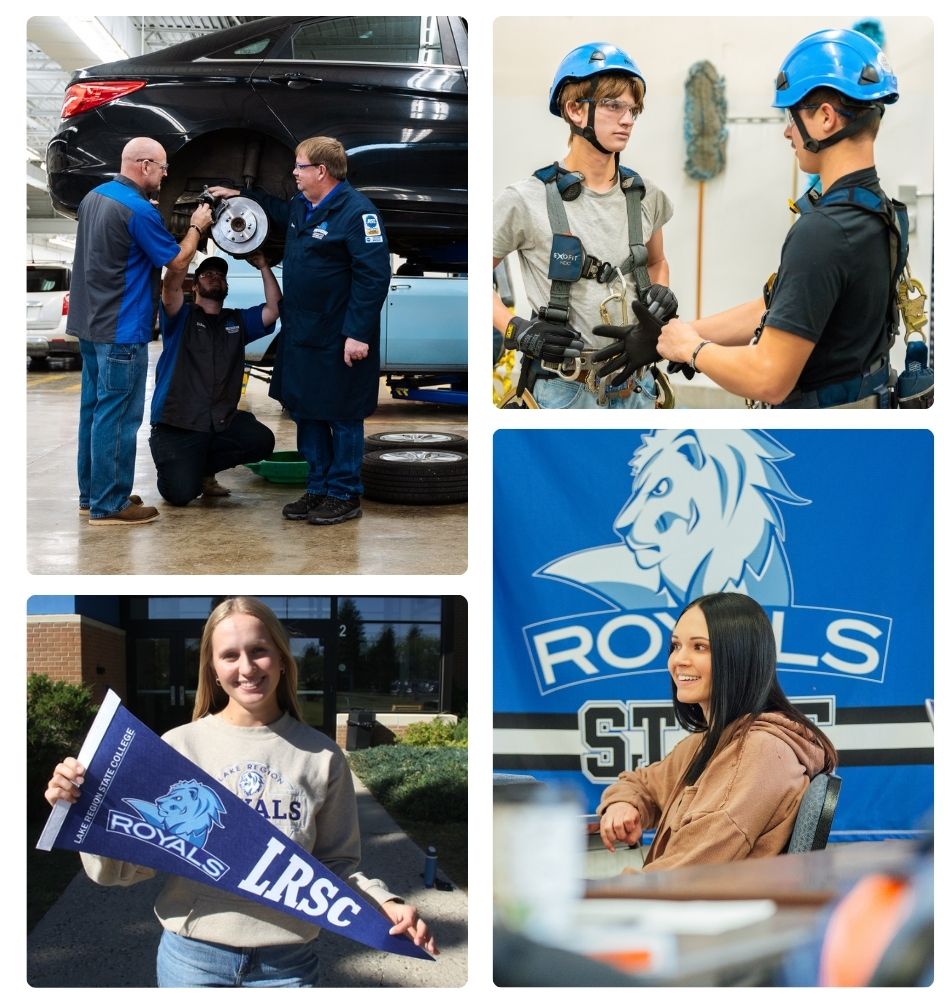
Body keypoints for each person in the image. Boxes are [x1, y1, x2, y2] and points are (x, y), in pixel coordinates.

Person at [45, 596, 438, 988]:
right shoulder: (178, 747)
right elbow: (130, 864)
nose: (246, 667)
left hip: (287, 968)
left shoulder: (321, 756)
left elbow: (334, 867)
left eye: (259, 651)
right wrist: (81, 805)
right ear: (213, 669)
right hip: (191, 962)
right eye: (230, 655)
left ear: (283, 660)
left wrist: (382, 902)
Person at [657, 28, 904, 408]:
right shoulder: (877, 210)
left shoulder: (824, 232)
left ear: (825, 118)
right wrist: (680, 333)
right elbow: (780, 309)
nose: (788, 132)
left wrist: (692, 349)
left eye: (792, 116)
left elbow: (768, 377)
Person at [208, 136, 390, 525]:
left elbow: (373, 278)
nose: (293, 172)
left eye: (299, 166)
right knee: (307, 414)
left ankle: (344, 493)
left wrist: (357, 333)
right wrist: (239, 194)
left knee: (341, 417)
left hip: (339, 336)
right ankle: (319, 487)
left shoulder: (357, 213)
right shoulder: (300, 206)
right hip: (302, 333)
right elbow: (272, 208)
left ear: (321, 171)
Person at [492, 42, 677, 408]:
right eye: (613, 106)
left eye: (633, 109)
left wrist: (659, 296)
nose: (627, 120)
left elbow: (656, 262)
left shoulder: (645, 196)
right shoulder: (524, 199)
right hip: (563, 388)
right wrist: (516, 329)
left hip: (639, 385)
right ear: (575, 109)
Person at [597, 592, 837, 870]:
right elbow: (641, 783)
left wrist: (601, 897)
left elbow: (689, 870)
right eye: (676, 646)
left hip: (707, 909)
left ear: (739, 659)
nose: (678, 660)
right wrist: (624, 804)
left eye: (700, 647)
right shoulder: (707, 743)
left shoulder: (761, 750)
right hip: (682, 905)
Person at [70, 137, 213, 524]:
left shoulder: (94, 197)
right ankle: (110, 503)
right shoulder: (138, 210)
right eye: (164, 167)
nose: (166, 175)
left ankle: (93, 494)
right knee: (118, 418)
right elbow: (178, 260)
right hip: (122, 329)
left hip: (90, 325)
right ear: (145, 165)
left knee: (95, 413)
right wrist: (197, 227)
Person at [148, 253, 279, 506]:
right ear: (195, 286)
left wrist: (264, 265)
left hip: (218, 421)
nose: (215, 278)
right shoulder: (180, 317)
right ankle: (176, 466)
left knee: (261, 440)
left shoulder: (236, 322)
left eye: (220, 275)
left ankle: (203, 470)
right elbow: (171, 284)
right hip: (177, 424)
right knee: (181, 495)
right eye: (207, 275)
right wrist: (194, 235)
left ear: (227, 287)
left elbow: (274, 309)